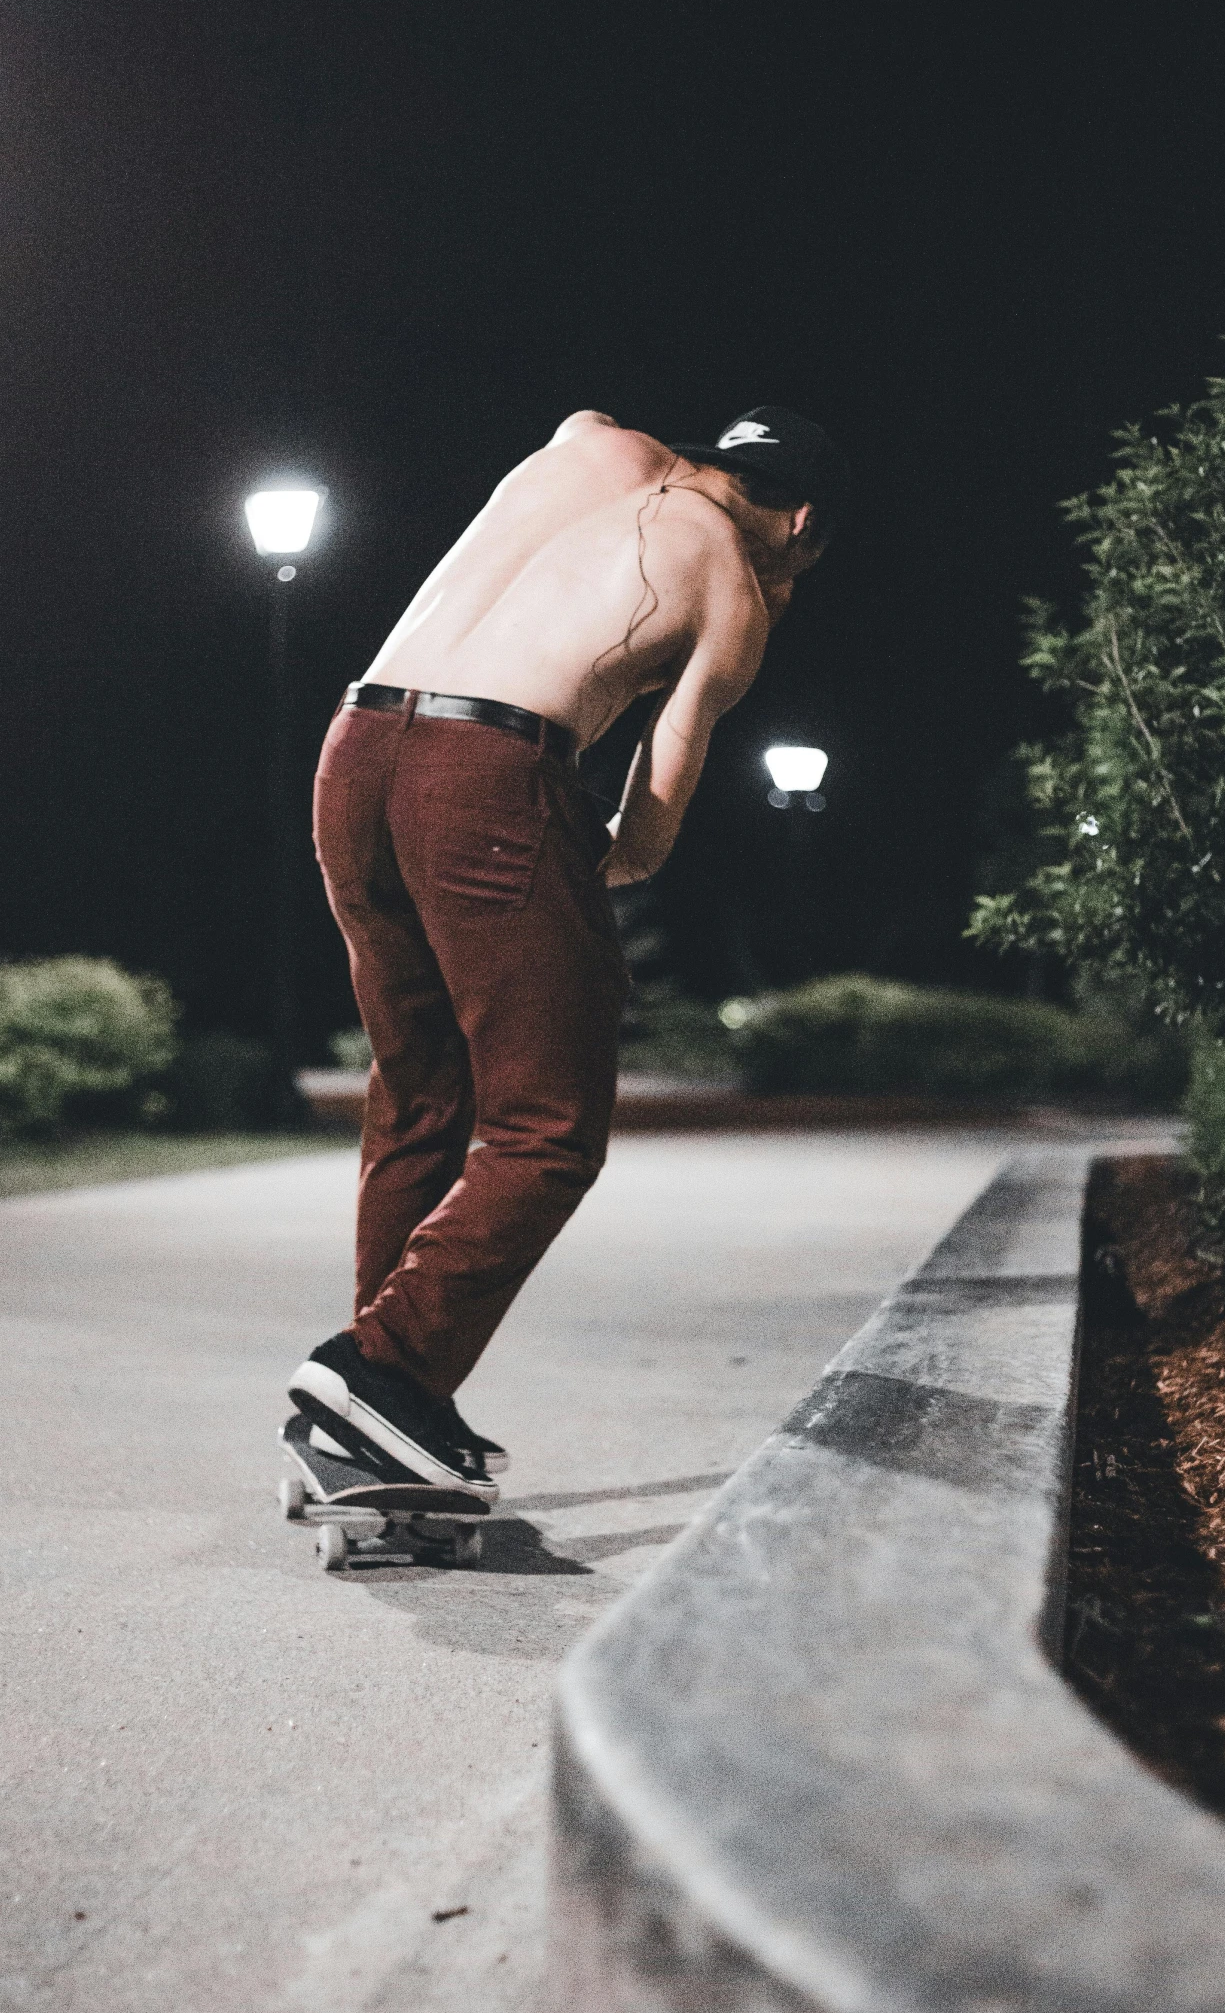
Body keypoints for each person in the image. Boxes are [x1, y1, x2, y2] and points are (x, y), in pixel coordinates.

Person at [288, 404, 849, 1492]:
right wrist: (572, 874)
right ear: (803, 519)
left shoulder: (592, 445)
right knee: (547, 1124)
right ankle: (377, 1372)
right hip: (488, 770)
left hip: (352, 749)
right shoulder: (734, 583)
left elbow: (579, 432)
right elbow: (645, 823)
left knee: (418, 1092)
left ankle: (379, 1409)